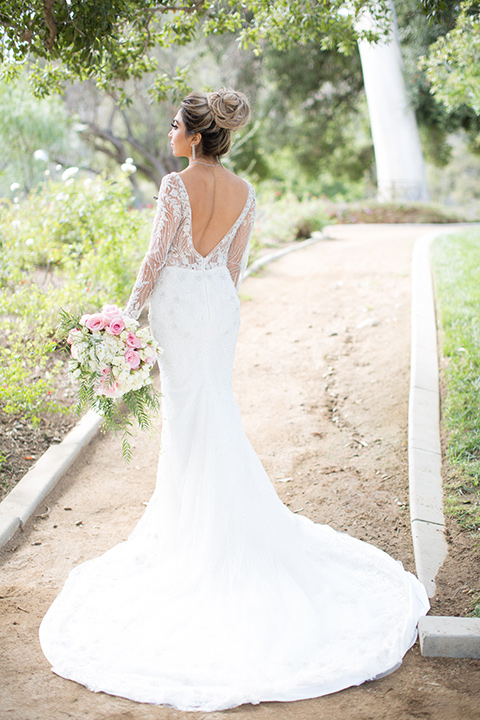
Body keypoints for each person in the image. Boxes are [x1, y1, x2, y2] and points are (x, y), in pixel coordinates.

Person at [39, 88, 429, 713]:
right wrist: (209, 308)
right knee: (212, 409)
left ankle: (196, 538)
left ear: (193, 136)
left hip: (176, 308)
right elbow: (235, 269)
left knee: (186, 419)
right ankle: (213, 522)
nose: (169, 134)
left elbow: (152, 260)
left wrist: (120, 321)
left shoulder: (173, 186)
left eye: (174, 126)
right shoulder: (246, 192)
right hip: (217, 309)